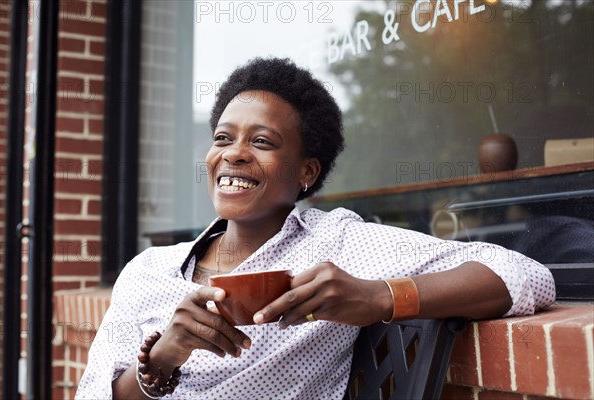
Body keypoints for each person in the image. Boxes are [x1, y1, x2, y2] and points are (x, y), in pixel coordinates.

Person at [75, 58, 555, 399]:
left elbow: (522, 274)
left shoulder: (337, 244)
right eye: (223, 137)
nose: (234, 153)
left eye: (262, 141)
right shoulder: (148, 271)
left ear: (306, 172)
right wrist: (163, 356)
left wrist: (377, 298)